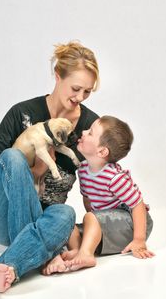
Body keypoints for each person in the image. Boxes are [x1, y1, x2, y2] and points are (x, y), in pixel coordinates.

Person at [0, 41, 100, 292]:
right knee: (12, 157)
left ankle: (8, 267)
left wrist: (125, 206)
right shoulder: (22, 112)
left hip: (46, 222)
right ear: (57, 76)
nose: (80, 98)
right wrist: (35, 171)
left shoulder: (89, 127)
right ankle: (41, 253)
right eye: (76, 88)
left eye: (87, 92)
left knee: (65, 214)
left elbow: (96, 179)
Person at [42, 116, 154, 275]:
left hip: (133, 225)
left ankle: (86, 254)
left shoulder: (115, 178)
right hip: (106, 224)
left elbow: (138, 205)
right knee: (68, 225)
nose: (83, 132)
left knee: (90, 218)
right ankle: (77, 250)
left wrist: (139, 240)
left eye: (90, 133)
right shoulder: (83, 169)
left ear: (102, 151)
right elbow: (88, 200)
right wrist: (91, 226)